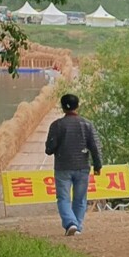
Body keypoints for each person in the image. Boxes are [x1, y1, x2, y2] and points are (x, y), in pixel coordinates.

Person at [45, 93, 102, 236]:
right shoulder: (86, 124)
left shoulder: (57, 125)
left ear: (62, 107)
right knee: (80, 198)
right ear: (78, 106)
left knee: (63, 198)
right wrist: (98, 165)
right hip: (82, 166)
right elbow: (95, 146)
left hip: (63, 167)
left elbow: (49, 149)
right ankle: (77, 225)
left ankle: (71, 224)